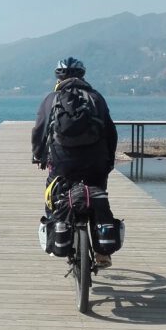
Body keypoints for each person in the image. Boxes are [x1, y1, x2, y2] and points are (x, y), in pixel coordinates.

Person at [31, 57, 118, 265]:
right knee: (98, 195)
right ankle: (102, 252)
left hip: (62, 163)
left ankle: (57, 237)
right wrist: (109, 160)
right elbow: (110, 132)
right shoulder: (96, 98)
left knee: (53, 195)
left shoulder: (51, 99)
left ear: (58, 77)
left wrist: (38, 154)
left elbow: (40, 130)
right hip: (96, 162)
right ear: (82, 75)